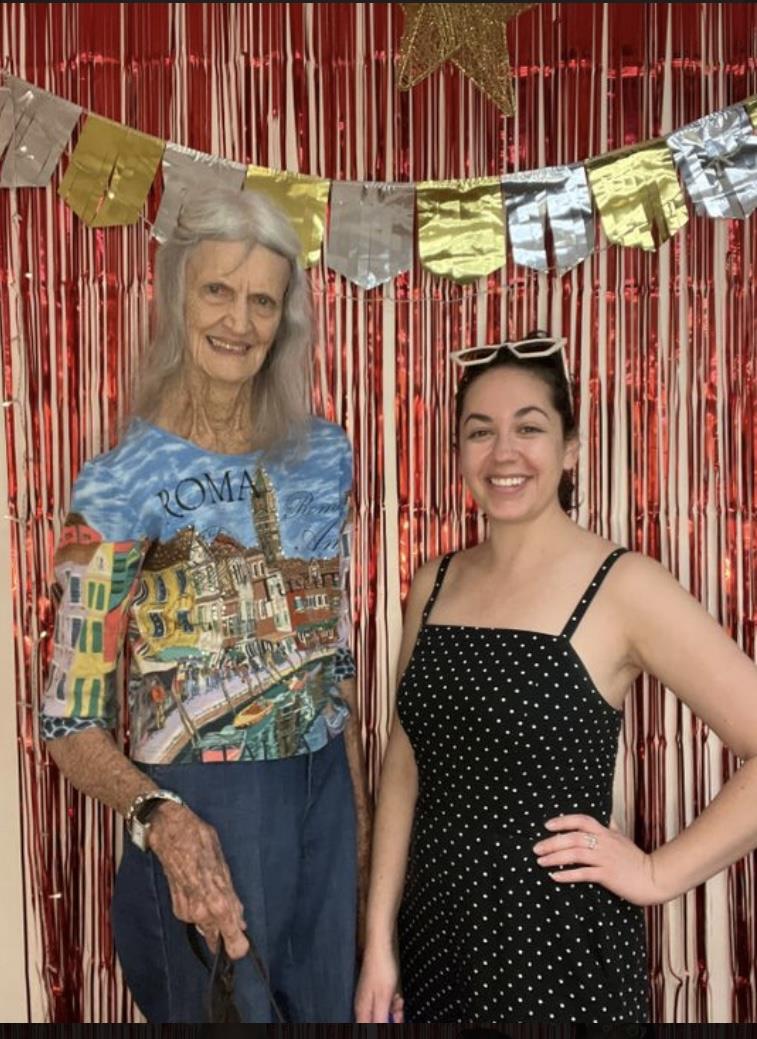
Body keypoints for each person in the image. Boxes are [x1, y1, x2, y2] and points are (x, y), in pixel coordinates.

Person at [355, 331, 757, 1024]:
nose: (503, 452)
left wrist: (656, 874)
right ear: (457, 454)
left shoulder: (623, 585)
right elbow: (403, 765)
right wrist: (377, 941)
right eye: (479, 432)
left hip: (555, 956)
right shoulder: (433, 582)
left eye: (529, 428)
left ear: (570, 449)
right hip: (431, 946)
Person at [41, 189, 370, 1023]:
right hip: (199, 802)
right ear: (177, 296)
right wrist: (163, 821)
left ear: (285, 319)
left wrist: (354, 805)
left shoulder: (325, 457)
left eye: (262, 299)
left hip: (322, 786)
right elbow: (67, 720)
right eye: (218, 291)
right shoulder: (116, 482)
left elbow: (331, 653)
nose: (239, 320)